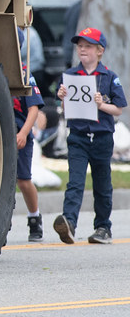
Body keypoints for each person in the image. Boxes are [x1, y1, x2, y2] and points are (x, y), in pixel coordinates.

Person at [53, 27, 127, 245]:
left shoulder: (109, 77)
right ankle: (69, 223)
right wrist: (62, 98)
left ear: (99, 51)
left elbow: (119, 109)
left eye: (87, 46)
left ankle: (103, 227)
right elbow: (67, 110)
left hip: (102, 137)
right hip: (78, 136)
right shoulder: (70, 76)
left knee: (102, 183)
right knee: (75, 182)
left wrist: (101, 104)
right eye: (80, 46)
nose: (82, 50)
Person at [13, 70, 45, 241]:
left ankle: (34, 217)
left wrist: (24, 133)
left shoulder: (23, 73)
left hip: (19, 132)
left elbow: (33, 109)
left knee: (23, 180)